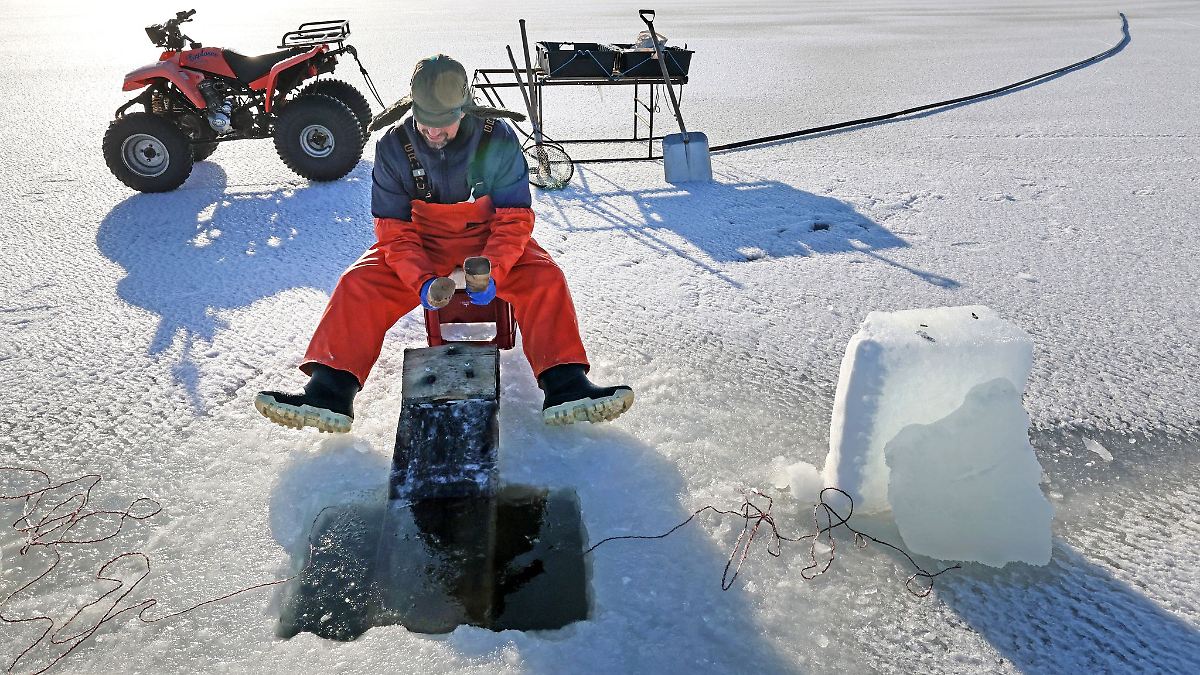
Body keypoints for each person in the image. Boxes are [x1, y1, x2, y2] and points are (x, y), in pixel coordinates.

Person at [254, 54, 634, 433]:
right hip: (422, 246)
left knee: (546, 279)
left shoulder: (497, 138)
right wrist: (421, 280)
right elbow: (393, 230)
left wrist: (492, 270)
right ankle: (330, 391)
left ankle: (566, 385)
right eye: (425, 122)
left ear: (466, 109)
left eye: (444, 123)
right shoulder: (392, 146)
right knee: (358, 284)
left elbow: (514, 219)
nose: (433, 133)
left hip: (489, 243)